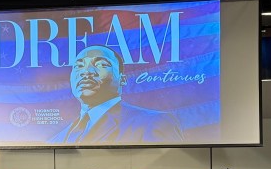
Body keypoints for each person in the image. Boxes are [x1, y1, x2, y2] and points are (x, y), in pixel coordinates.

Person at [51, 45, 183, 144]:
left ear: (122, 79)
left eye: (101, 64)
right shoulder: (56, 139)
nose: (87, 71)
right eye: (79, 66)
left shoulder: (154, 122)